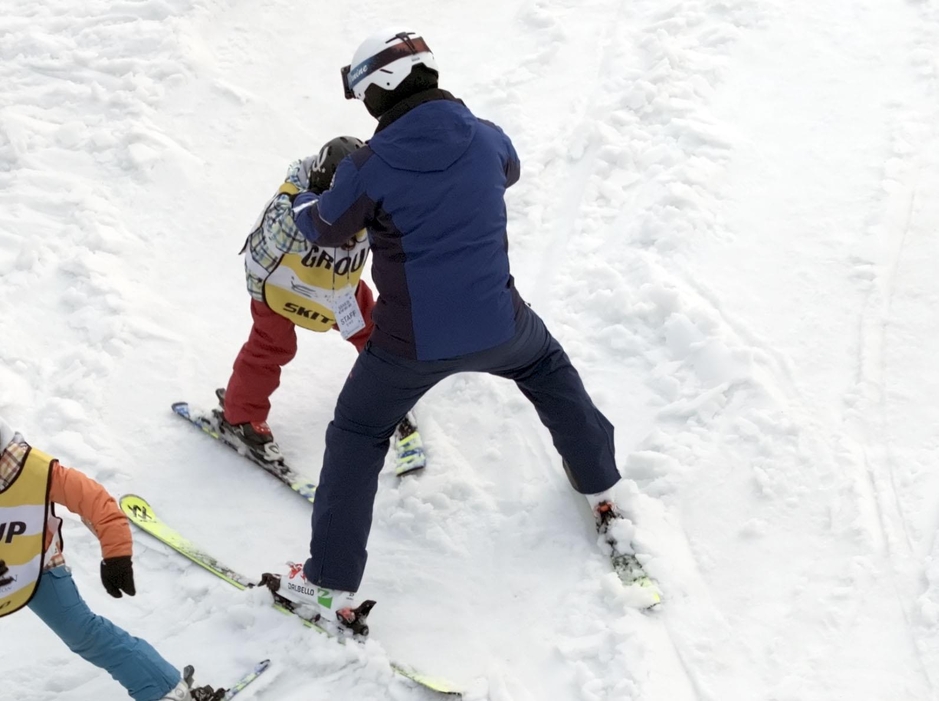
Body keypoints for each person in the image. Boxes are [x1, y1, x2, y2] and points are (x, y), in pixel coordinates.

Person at [266, 29, 628, 617]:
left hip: (408, 347)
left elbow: (326, 227)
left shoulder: (368, 166)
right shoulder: (487, 138)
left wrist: (304, 193)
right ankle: (601, 485)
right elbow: (507, 171)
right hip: (501, 325)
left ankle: (328, 579)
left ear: (378, 91)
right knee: (549, 370)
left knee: (357, 434)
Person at [219, 141, 425, 473]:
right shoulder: (289, 209)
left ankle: (387, 389)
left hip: (334, 288)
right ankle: (241, 417)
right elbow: (283, 233)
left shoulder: (368, 200)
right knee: (270, 346)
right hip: (280, 286)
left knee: (372, 330)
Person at [0, 416, 223, 701]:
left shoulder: (29, 468)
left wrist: (116, 554)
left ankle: (167, 691)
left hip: (35, 562)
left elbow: (94, 501)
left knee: (82, 632)